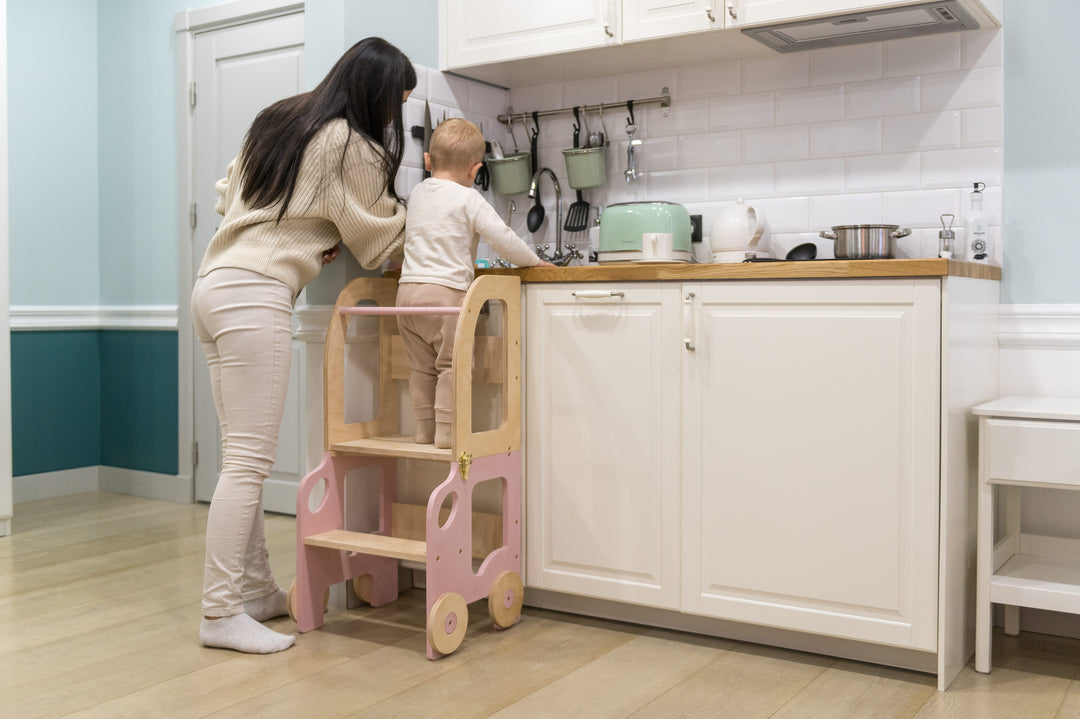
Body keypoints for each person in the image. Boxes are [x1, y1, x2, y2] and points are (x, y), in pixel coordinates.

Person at [190, 37, 415, 654]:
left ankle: (255, 591)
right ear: (377, 93)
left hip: (213, 284)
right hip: (256, 292)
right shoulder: (353, 143)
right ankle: (218, 613)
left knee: (241, 455)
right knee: (248, 461)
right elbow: (378, 240)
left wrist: (303, 226)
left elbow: (226, 193)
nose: (396, 116)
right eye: (397, 101)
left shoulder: (279, 118)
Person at [396, 119, 553, 449]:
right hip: (445, 295)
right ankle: (446, 434)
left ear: (427, 161)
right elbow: (502, 239)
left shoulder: (417, 193)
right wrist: (533, 262)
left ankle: (423, 430)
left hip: (406, 293)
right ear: (476, 170)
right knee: (451, 366)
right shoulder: (470, 199)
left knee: (420, 368)